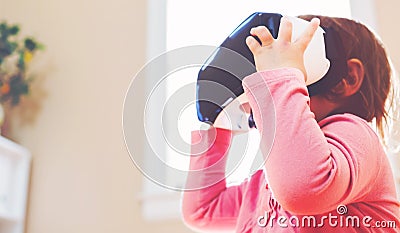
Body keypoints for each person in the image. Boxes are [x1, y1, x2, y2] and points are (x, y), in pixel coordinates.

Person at [181, 15, 400, 232]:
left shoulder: (355, 134)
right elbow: (202, 211)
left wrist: (280, 79)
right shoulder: (265, 183)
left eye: (290, 63)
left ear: (348, 78)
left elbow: (303, 188)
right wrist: (217, 128)